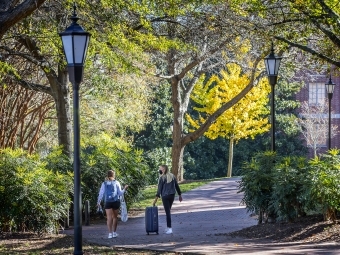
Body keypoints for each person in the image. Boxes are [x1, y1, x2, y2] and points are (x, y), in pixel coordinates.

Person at [97, 169, 128, 238]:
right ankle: (114, 232)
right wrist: (125, 188)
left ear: (107, 175)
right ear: (114, 175)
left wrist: (98, 202)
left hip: (107, 202)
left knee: (109, 218)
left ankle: (110, 234)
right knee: (115, 217)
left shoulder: (104, 183)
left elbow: (101, 193)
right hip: (115, 201)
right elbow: (120, 193)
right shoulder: (117, 182)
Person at [153, 164, 182, 234]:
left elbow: (159, 189)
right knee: (168, 211)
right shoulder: (172, 176)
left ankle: (169, 228)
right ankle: (168, 227)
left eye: (160, 169)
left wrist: (155, 200)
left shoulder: (162, 178)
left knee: (168, 212)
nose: (159, 170)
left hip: (165, 196)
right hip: (172, 195)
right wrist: (180, 195)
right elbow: (176, 186)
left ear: (163, 169)